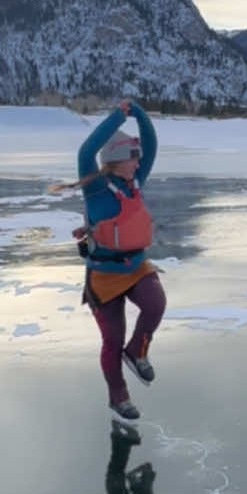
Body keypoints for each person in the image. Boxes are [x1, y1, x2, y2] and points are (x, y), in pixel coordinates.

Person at [75, 98, 166, 425]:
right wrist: (118, 117)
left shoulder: (136, 181)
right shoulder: (96, 188)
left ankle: (137, 351)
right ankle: (119, 396)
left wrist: (138, 112)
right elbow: (86, 152)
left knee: (155, 304)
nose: (138, 161)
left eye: (137, 157)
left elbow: (151, 143)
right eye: (132, 157)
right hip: (103, 274)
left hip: (137, 266)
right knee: (111, 339)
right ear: (114, 161)